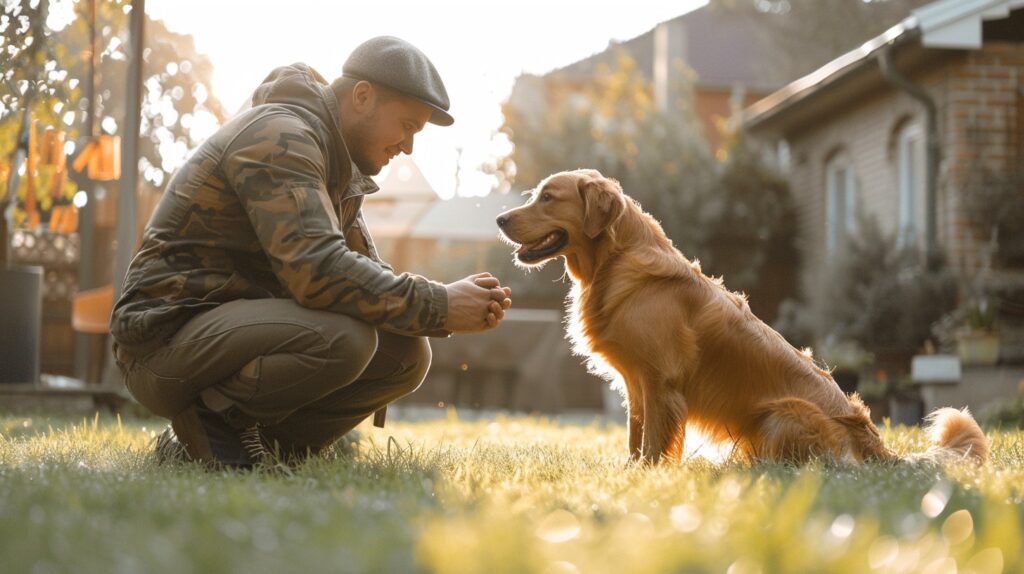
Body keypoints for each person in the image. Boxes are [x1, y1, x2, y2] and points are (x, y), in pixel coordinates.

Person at [109, 36, 512, 468]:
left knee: (405, 354)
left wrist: (447, 302)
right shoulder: (281, 135)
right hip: (162, 341)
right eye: (408, 126)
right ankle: (205, 431)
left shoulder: (337, 164)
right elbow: (318, 271)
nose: (409, 147)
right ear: (362, 97)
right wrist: (440, 303)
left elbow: (366, 274)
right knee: (345, 338)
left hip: (232, 332)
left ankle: (268, 446)